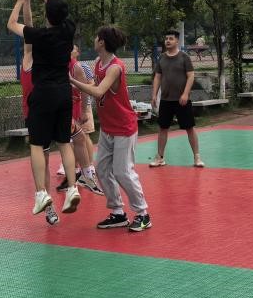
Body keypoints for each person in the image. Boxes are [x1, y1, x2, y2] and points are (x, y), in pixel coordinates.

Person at [8, 0, 81, 219]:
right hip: (64, 93)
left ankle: (41, 193)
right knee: (65, 143)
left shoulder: (39, 37)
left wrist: (21, 0)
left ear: (47, 16)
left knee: (37, 146)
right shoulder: (68, 30)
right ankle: (72, 188)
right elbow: (51, 16)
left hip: (43, 96)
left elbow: (13, 24)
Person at [70, 26, 152, 232]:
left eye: (96, 37)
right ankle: (117, 212)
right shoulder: (99, 63)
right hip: (108, 127)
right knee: (102, 170)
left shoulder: (115, 67)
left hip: (124, 127)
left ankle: (143, 214)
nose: (94, 39)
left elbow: (98, 91)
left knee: (123, 171)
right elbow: (94, 88)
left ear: (102, 42)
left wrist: (71, 80)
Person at [149, 30, 203, 168]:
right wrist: (154, 95)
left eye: (171, 39)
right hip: (166, 100)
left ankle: (197, 157)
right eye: (166, 38)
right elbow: (157, 77)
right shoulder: (162, 58)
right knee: (163, 128)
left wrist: (185, 94)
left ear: (177, 41)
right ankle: (160, 158)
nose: (168, 41)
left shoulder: (184, 57)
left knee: (189, 128)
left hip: (182, 100)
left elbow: (191, 76)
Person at [57, 45, 102, 195]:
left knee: (81, 138)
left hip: (77, 107)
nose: (70, 50)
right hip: (64, 107)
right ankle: (77, 172)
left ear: (77, 52)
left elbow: (88, 87)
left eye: (73, 49)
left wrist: (83, 110)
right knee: (71, 141)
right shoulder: (58, 63)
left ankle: (87, 170)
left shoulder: (78, 67)